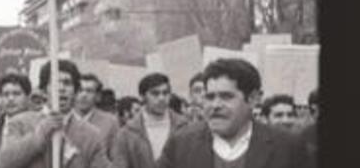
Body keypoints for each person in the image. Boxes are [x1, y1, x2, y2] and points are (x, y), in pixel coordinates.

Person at [157, 59, 309, 168]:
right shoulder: (180, 144)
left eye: (226, 96)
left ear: (253, 99)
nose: (215, 105)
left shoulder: (288, 146)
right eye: (210, 97)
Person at [0, 59, 110, 168]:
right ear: (44, 90)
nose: (61, 88)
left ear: (75, 91)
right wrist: (39, 135)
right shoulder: (20, 123)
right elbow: (5, 162)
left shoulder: (91, 135)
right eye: (55, 83)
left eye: (67, 83)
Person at [109, 73, 190, 168]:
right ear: (142, 97)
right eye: (155, 93)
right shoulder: (127, 133)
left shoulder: (184, 126)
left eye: (165, 93)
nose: (161, 98)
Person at [75, 74, 120, 158]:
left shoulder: (110, 122)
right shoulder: (64, 119)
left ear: (98, 96)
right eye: (79, 90)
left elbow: (115, 158)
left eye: (89, 91)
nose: (84, 95)